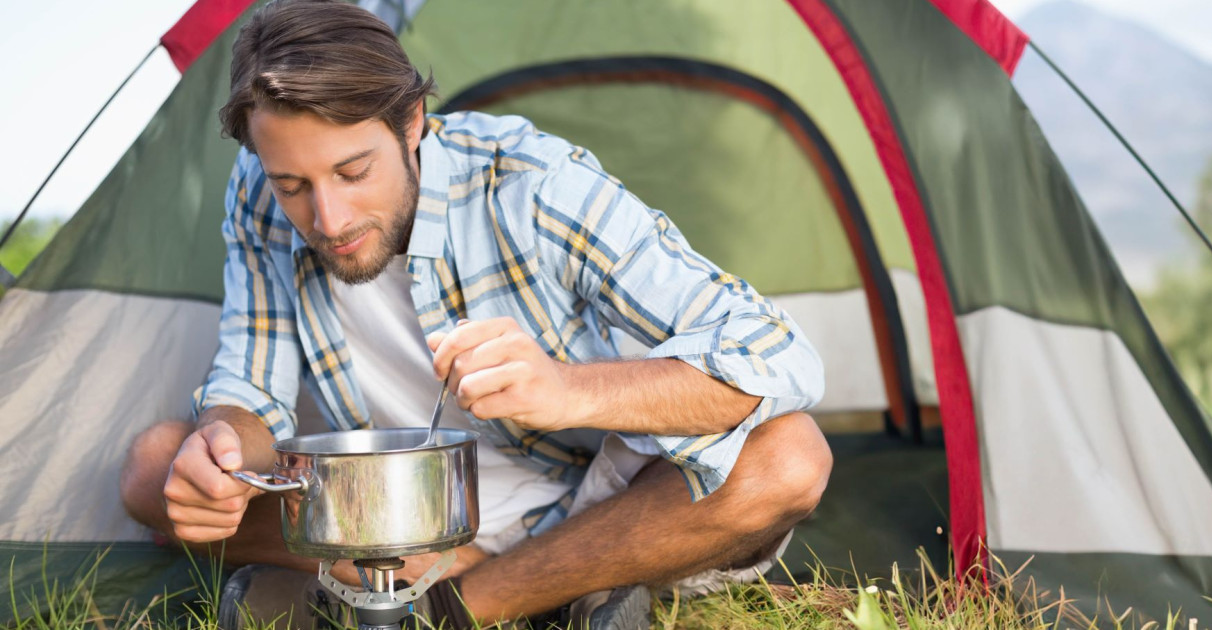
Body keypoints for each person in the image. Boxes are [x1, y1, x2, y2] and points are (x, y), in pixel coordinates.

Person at [118, 0, 832, 627]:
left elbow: (777, 353)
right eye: (293, 184)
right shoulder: (258, 194)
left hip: (597, 501)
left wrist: (568, 389)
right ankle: (551, 595)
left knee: (789, 458)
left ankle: (441, 609)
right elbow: (251, 393)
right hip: (401, 513)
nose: (327, 218)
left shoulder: (535, 183)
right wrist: (222, 453)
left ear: (412, 123)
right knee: (156, 469)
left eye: (353, 172)